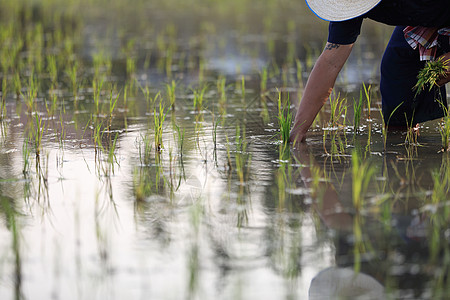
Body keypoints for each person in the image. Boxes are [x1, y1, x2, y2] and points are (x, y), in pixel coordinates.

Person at [290, 0, 450, 144]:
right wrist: (299, 129)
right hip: (426, 16)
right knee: (397, 72)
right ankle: (403, 151)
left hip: (436, 8)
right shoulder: (347, 6)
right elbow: (330, 62)